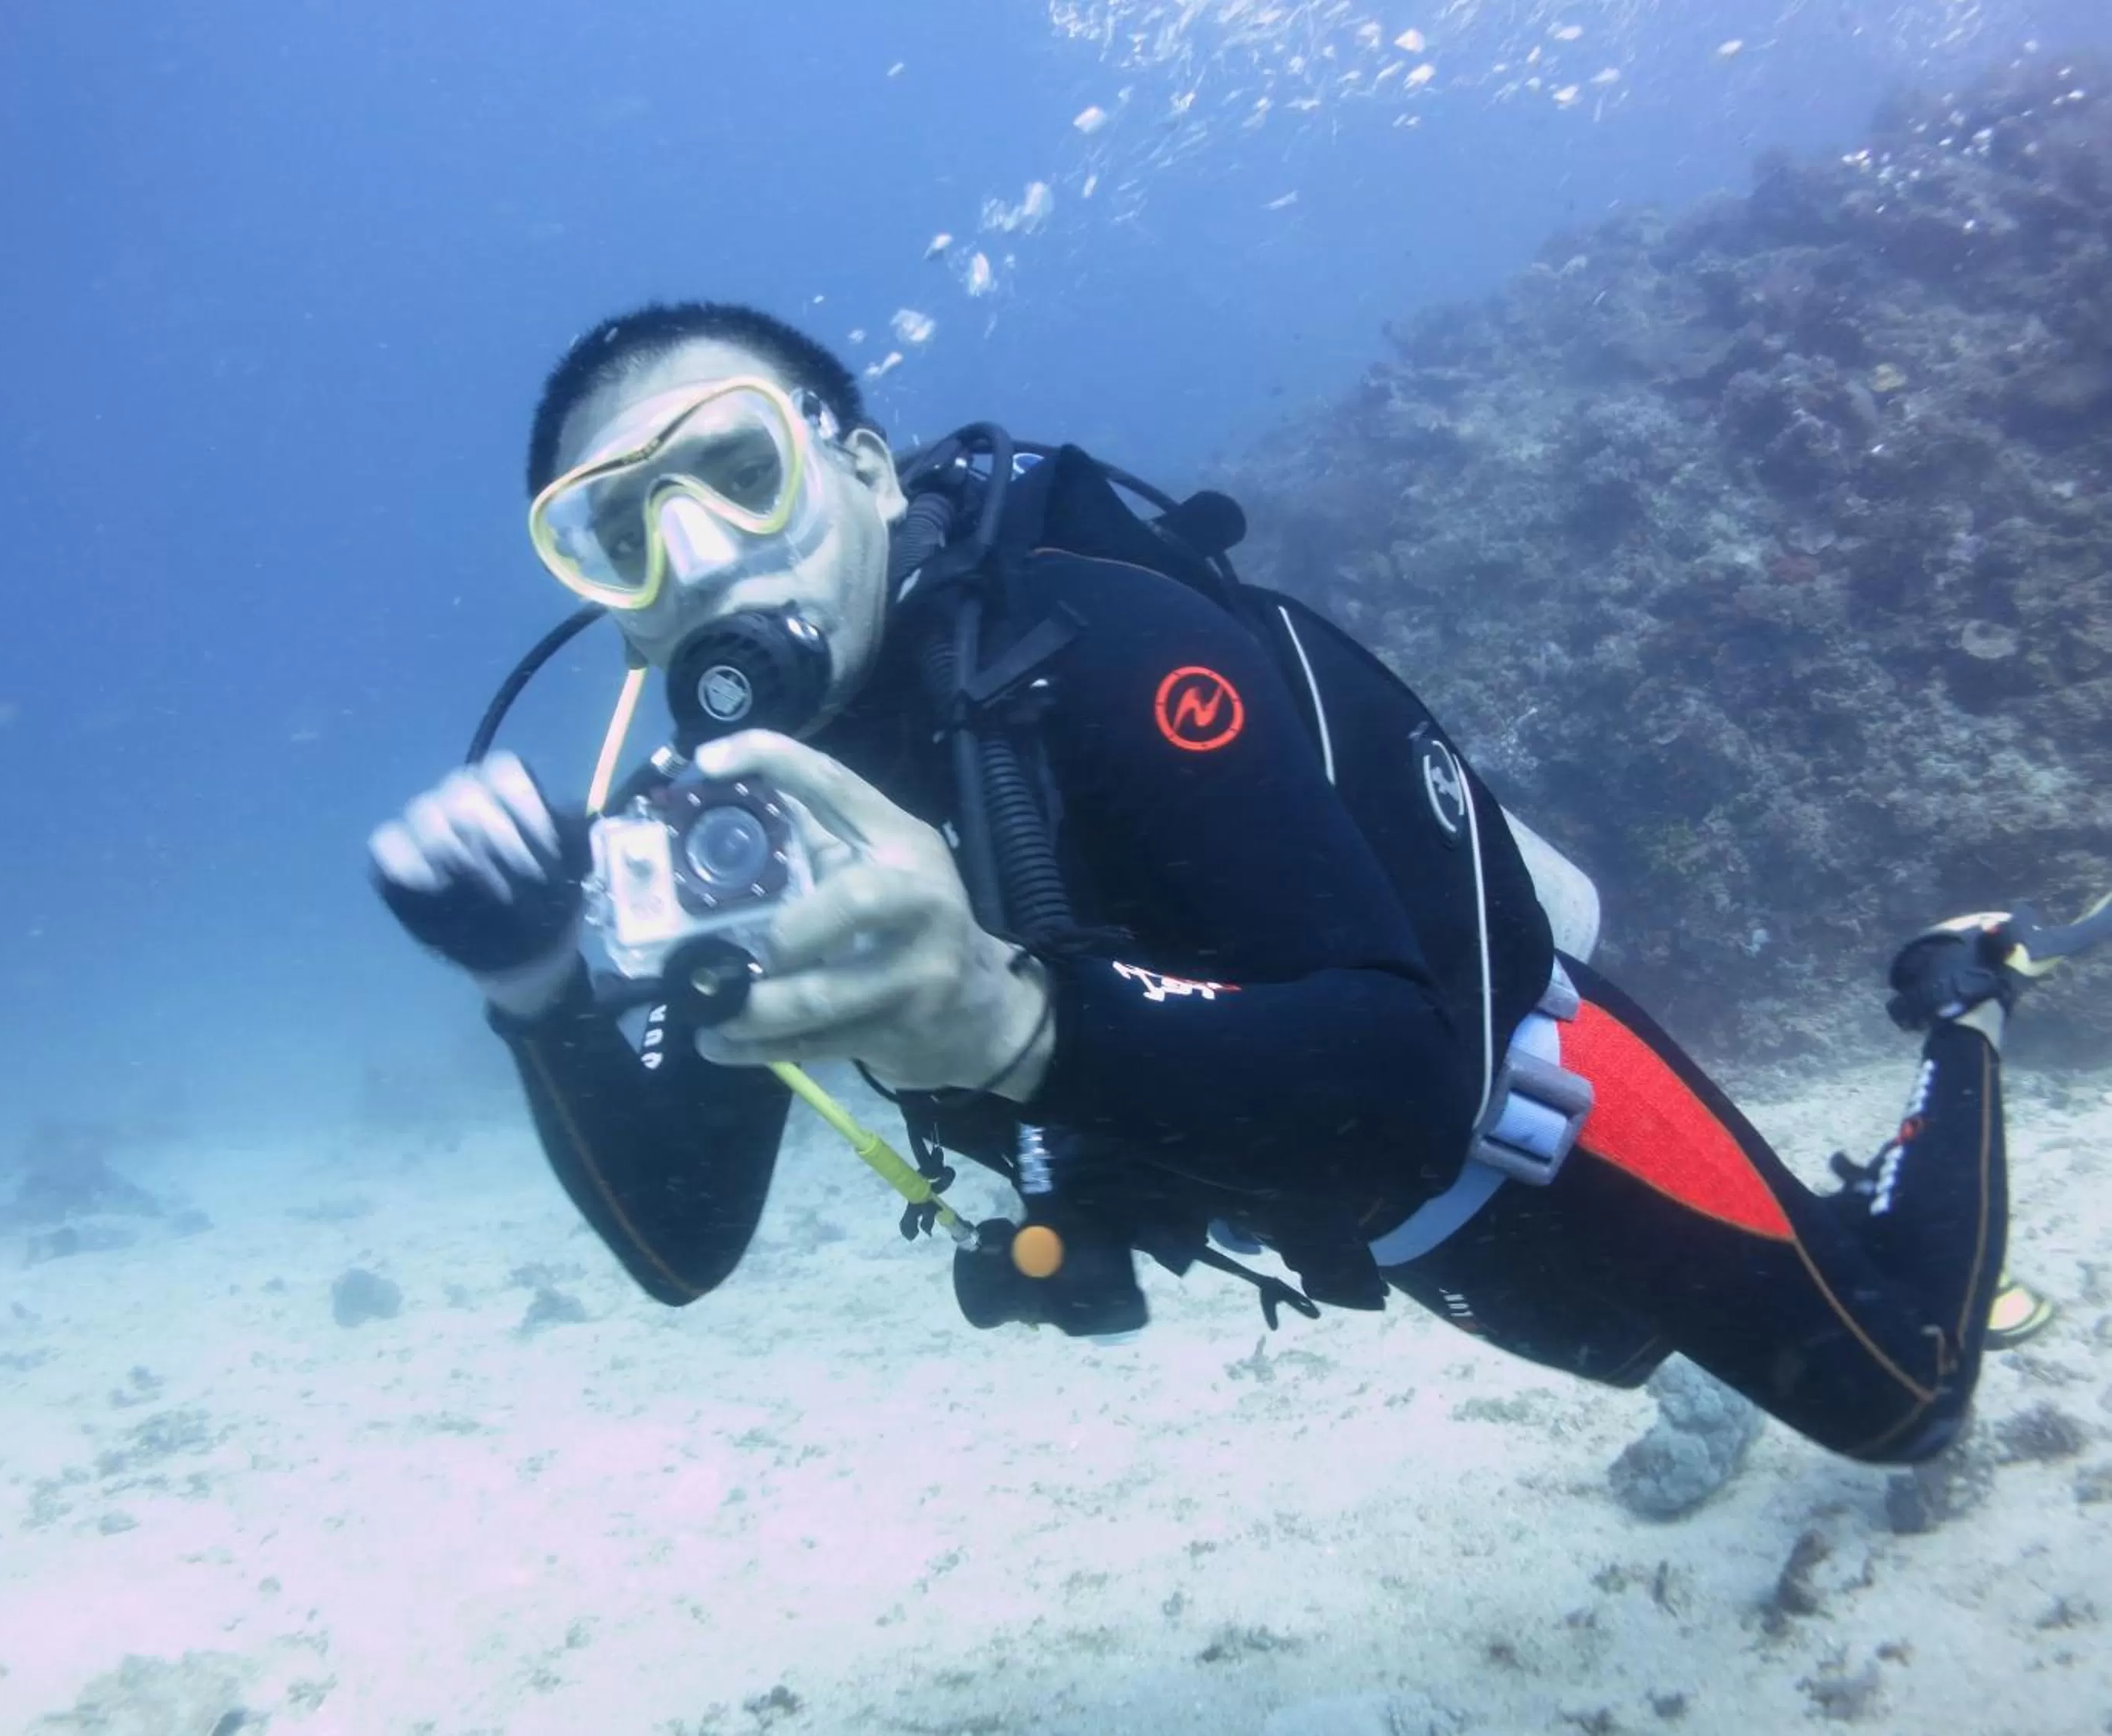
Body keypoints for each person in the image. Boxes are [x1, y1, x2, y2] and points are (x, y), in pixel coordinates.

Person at [371, 300, 2099, 1466]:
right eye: (620, 532)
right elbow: (685, 1247)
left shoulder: (1106, 652)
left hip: (1531, 1095)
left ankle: (1954, 1002)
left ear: (867, 469)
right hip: (1349, 1210)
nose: (698, 560)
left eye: (736, 472)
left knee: (1899, 1402)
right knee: (1636, 1347)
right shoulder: (722, 843)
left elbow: (1403, 1077)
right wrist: (533, 982)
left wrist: (999, 1016)